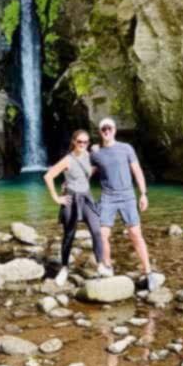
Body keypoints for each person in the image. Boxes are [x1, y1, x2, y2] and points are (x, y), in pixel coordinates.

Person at [90, 117, 152, 281]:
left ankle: (148, 272)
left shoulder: (126, 148)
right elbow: (87, 172)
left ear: (115, 130)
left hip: (127, 196)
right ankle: (108, 267)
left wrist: (143, 194)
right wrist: (70, 183)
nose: (107, 131)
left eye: (109, 128)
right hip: (107, 197)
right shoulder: (96, 153)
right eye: (104, 129)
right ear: (100, 132)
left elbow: (137, 171)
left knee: (135, 233)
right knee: (102, 233)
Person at [43, 129, 103, 287]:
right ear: (74, 142)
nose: (82, 144)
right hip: (71, 198)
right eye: (80, 142)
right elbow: (48, 176)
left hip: (87, 198)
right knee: (69, 235)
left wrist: (98, 149)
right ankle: (64, 268)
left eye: (85, 142)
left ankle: (101, 266)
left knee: (97, 231)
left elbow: (94, 169)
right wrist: (57, 198)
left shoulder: (89, 157)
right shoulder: (67, 160)